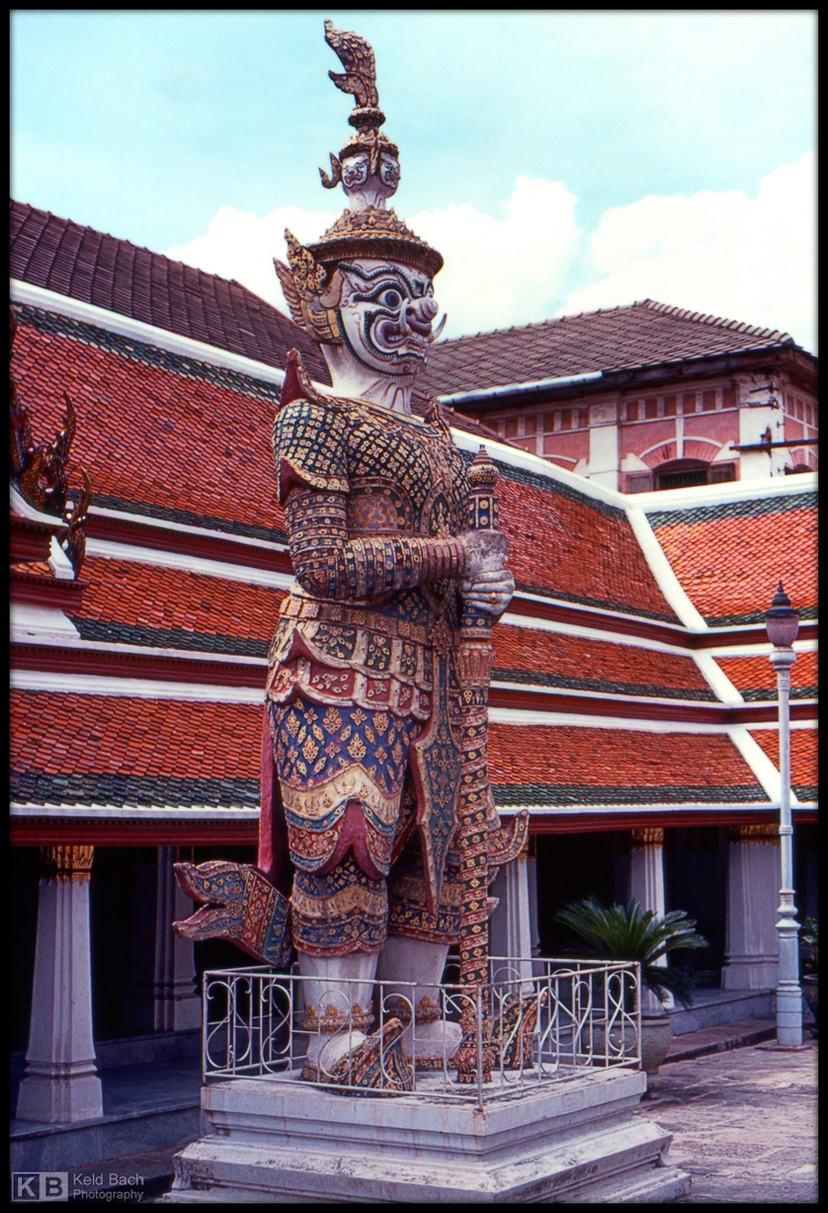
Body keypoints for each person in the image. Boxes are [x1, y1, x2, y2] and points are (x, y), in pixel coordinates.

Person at [175, 21, 518, 1090]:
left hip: (428, 674)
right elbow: (322, 564)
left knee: (435, 855)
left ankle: (420, 1026)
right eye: (384, 293)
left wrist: (486, 593)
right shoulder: (312, 421)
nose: (408, 315)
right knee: (351, 839)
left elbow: (469, 583)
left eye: (417, 297)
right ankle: (335, 1034)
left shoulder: (441, 444)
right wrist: (454, 554)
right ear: (327, 299)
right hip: (334, 664)